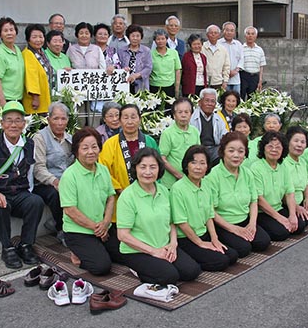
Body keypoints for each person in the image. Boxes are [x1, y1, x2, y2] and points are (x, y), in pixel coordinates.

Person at [117, 148, 201, 285]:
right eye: (143, 167)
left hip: (165, 245)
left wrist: (173, 244)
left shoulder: (163, 190)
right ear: (135, 169)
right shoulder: (127, 196)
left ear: (159, 169)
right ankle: (137, 269)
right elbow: (123, 235)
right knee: (169, 277)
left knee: (192, 271)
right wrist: (153, 252)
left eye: (153, 167)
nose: (148, 172)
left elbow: (171, 222)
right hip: (137, 251)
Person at [0, 101, 44, 269]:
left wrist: (28, 192)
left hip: (18, 193)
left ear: (24, 124)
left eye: (18, 120)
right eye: (9, 120)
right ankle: (7, 248)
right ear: (2, 124)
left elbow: (30, 171)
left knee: (35, 201)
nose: (13, 125)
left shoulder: (29, 144)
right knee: (0, 206)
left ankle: (26, 245)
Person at [60, 127, 119, 275]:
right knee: (101, 267)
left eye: (94, 147)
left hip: (102, 227)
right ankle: (76, 252)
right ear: (76, 151)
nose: (91, 151)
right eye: (85, 148)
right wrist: (97, 229)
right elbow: (70, 210)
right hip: (79, 231)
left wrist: (106, 223)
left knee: (125, 253)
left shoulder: (103, 170)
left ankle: (96, 248)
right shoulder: (69, 176)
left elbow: (110, 197)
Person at [170, 145, 238, 271]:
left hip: (203, 233)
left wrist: (214, 239)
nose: (198, 167)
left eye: (202, 163)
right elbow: (181, 223)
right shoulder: (177, 189)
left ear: (207, 166)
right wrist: (200, 243)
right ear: (186, 165)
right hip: (186, 238)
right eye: (193, 162)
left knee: (232, 256)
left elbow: (209, 215)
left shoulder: (206, 184)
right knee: (221, 262)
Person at [208, 132, 271, 257]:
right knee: (243, 249)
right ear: (223, 152)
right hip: (224, 224)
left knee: (263, 242)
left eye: (241, 151)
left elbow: (253, 201)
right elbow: (211, 211)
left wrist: (252, 223)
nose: (236, 155)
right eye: (231, 151)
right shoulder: (213, 176)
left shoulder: (247, 173)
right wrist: (233, 228)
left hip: (244, 220)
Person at [252, 131, 306, 241]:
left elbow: (289, 193)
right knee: (281, 233)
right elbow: (259, 199)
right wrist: (279, 218)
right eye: (270, 146)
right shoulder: (256, 168)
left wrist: (292, 215)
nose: (274, 150)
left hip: (278, 207)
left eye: (278, 147)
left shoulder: (283, 166)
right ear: (263, 148)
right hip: (263, 211)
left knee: (300, 224)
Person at [33, 102, 74, 245]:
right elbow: (38, 168)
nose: (59, 123)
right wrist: (55, 181)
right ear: (48, 119)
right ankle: (61, 229)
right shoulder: (40, 138)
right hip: (45, 183)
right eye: (56, 118)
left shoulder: (70, 138)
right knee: (56, 194)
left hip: (66, 180)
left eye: (63, 119)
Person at [99, 104, 159, 200]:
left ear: (139, 119)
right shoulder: (110, 144)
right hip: (120, 196)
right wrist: (119, 189)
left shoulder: (149, 141)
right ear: (120, 121)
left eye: (133, 117)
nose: (130, 121)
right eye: (125, 118)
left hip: (149, 194)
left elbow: (158, 166)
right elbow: (103, 170)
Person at [159, 98, 200, 189]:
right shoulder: (167, 133)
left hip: (190, 180)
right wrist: (178, 175)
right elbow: (162, 158)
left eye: (186, 112)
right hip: (170, 183)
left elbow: (198, 155)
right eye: (180, 112)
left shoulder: (195, 132)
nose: (183, 115)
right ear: (174, 115)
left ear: (191, 114)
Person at [190, 88, 228, 166]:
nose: (210, 104)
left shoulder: (218, 118)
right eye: (207, 100)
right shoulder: (192, 118)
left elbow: (225, 135)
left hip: (214, 149)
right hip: (198, 149)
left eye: (212, 101)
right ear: (200, 102)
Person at [0, 17, 24, 106]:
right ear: (0, 34)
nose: (9, 33)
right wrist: (2, 101)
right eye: (5, 31)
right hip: (6, 99)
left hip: (18, 98)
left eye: (11, 30)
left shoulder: (17, 49)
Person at [22, 24, 51, 115]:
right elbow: (31, 76)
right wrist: (35, 98)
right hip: (35, 102)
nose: (38, 40)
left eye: (41, 37)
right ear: (28, 39)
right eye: (34, 37)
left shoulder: (42, 52)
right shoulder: (28, 54)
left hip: (44, 98)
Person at [117, 25, 152, 94]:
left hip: (141, 85)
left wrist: (136, 75)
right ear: (128, 37)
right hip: (125, 84)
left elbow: (148, 68)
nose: (135, 38)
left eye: (137, 36)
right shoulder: (121, 50)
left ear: (141, 37)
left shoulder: (146, 50)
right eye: (133, 36)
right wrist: (123, 69)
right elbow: (117, 65)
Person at [149, 28, 181, 97]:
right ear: (154, 41)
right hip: (154, 86)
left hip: (169, 86)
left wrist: (177, 88)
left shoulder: (174, 53)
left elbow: (177, 70)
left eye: (163, 39)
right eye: (158, 39)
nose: (160, 41)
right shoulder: (150, 53)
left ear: (166, 40)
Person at [239, 26, 266, 99]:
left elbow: (261, 66)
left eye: (252, 34)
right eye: (248, 34)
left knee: (253, 99)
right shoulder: (240, 48)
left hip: (254, 77)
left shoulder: (259, 50)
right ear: (245, 35)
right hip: (243, 75)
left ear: (256, 36)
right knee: (241, 98)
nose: (250, 36)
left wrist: (260, 80)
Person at [202, 25, 230, 90]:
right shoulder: (202, 47)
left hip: (218, 82)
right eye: (211, 33)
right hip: (204, 82)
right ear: (207, 34)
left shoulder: (223, 49)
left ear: (219, 35)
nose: (213, 35)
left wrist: (225, 81)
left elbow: (226, 66)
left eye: (215, 33)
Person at [220, 22, 243, 94]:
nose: (229, 32)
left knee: (236, 100)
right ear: (223, 31)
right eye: (227, 30)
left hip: (235, 78)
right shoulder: (218, 43)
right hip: (222, 79)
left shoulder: (238, 44)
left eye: (232, 30)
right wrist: (226, 73)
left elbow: (242, 59)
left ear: (235, 32)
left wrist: (236, 70)